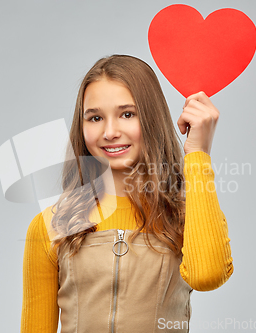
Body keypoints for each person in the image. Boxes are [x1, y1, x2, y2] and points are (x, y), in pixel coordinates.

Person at [20, 54, 233, 333]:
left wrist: (198, 154)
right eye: (95, 117)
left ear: (152, 120)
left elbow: (208, 275)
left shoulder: (183, 217)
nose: (110, 132)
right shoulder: (51, 226)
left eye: (127, 114)